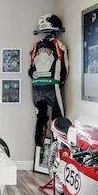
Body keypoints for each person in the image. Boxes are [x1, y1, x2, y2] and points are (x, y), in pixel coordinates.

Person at [29, 14, 69, 168]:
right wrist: (61, 80)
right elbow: (64, 68)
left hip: (37, 88)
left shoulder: (35, 46)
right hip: (53, 87)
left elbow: (30, 70)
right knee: (59, 120)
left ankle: (39, 154)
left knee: (40, 118)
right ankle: (57, 154)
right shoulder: (58, 44)